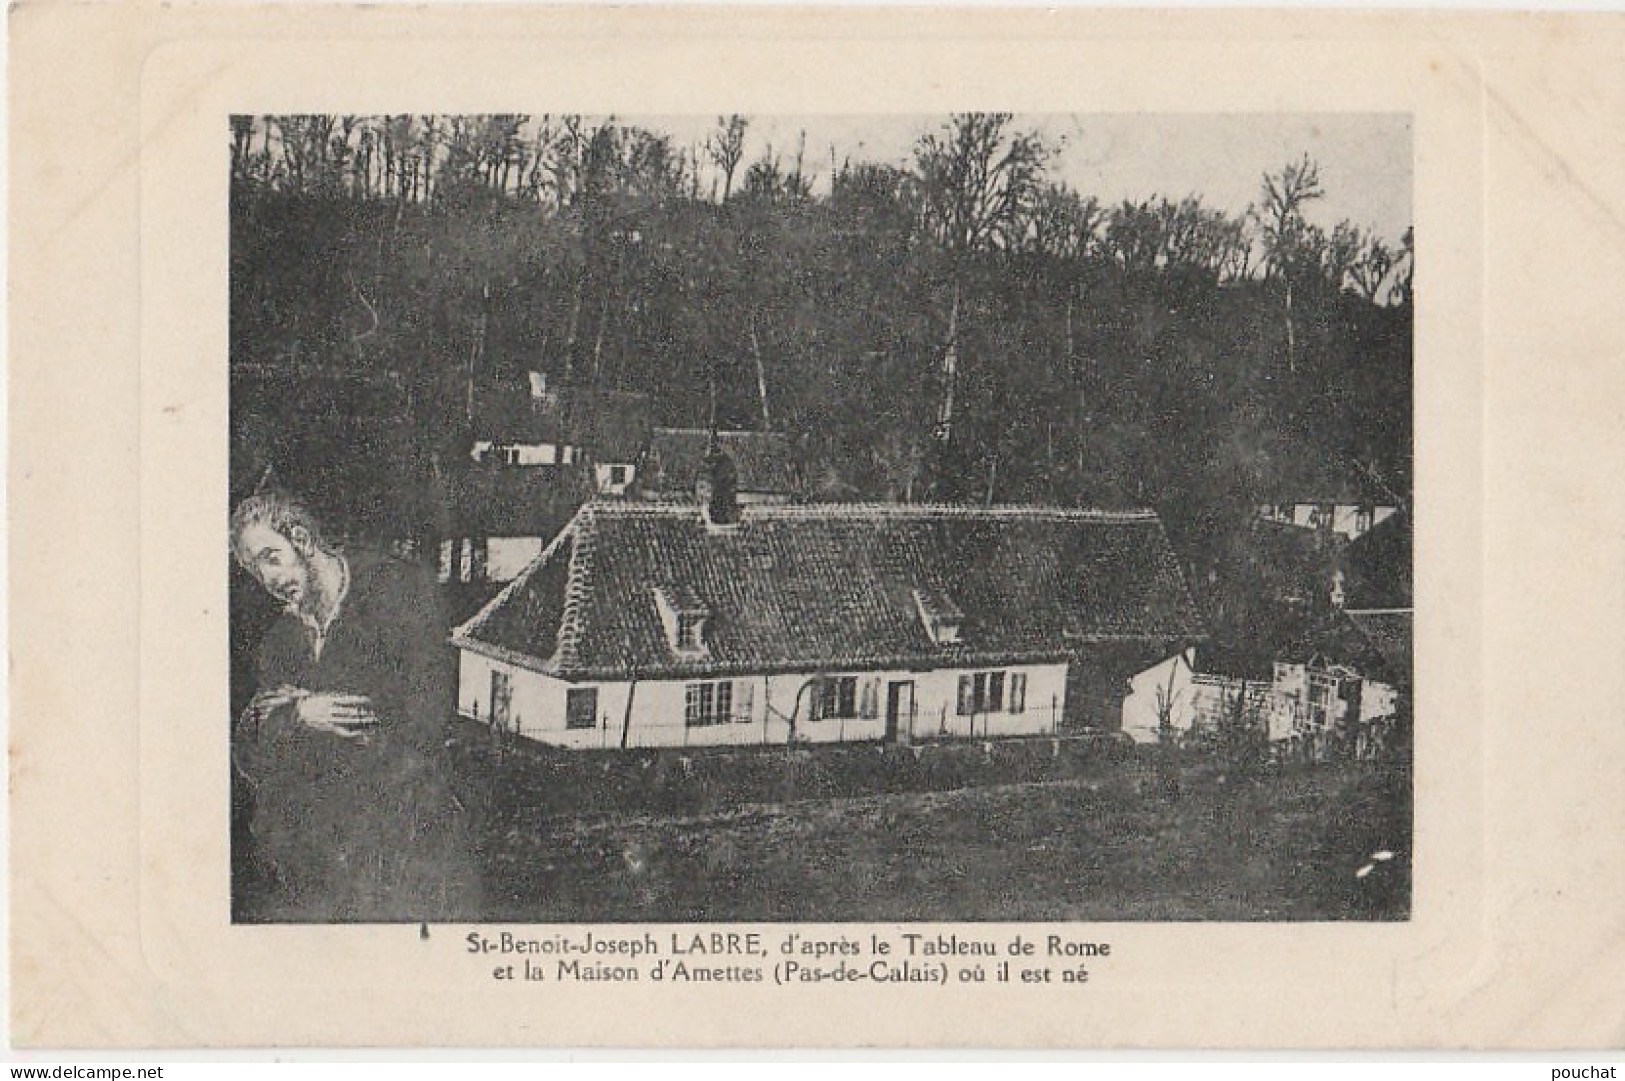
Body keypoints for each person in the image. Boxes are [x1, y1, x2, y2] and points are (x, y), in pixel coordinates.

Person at [230, 491, 479, 922]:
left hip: (404, 842)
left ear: (303, 540)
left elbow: (424, 723)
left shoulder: (396, 591)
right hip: (318, 861)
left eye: (271, 556)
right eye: (254, 569)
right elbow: (251, 750)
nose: (267, 579)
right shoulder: (282, 643)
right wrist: (301, 715)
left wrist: (300, 720)